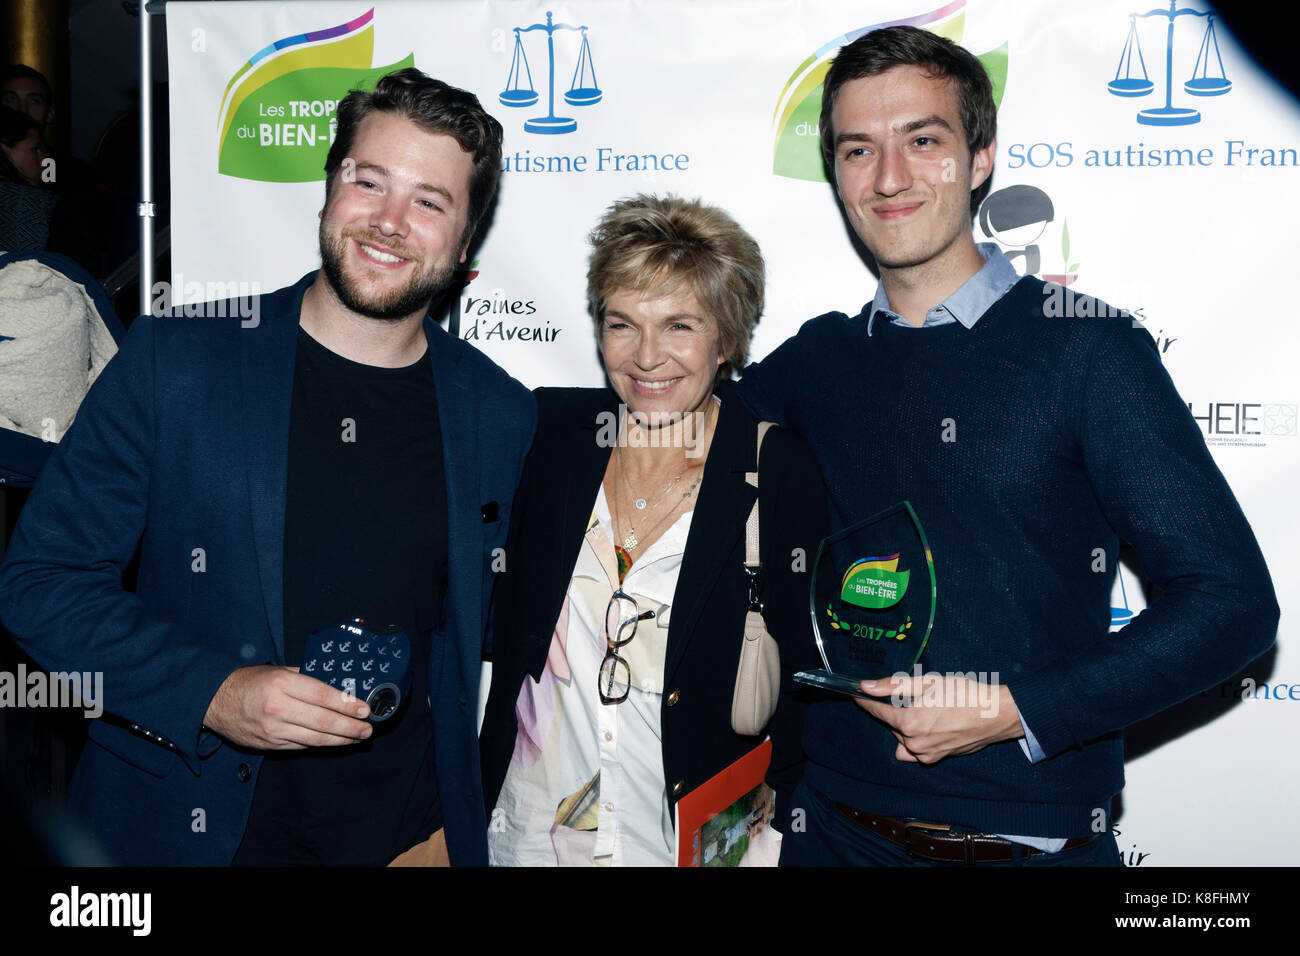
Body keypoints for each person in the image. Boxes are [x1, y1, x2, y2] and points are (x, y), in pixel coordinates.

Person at [735, 26, 1278, 866]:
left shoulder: (1087, 350)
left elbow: (1231, 602)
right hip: (830, 832)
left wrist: (1015, 709)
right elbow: (672, 440)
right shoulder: (817, 361)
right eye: (857, 149)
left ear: (981, 156)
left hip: (1024, 849)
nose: (888, 178)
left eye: (924, 141)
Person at [0, 68, 535, 866]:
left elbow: (484, 629)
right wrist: (210, 693)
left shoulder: (500, 411)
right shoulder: (177, 359)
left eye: (429, 201)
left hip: (405, 842)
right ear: (328, 190)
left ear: (463, 245)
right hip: (188, 832)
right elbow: (40, 583)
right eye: (369, 181)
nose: (389, 222)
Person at [480, 194, 827, 866]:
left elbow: (808, 682)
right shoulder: (548, 436)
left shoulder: (773, 465)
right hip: (528, 832)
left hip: (685, 840)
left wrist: (777, 834)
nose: (646, 357)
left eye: (678, 326)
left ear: (724, 336)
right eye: (621, 324)